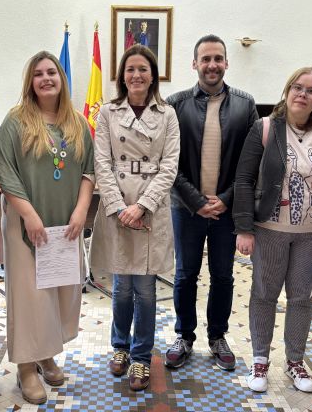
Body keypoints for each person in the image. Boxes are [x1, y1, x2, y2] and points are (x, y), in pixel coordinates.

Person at [234, 67, 312, 393]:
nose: (302, 94)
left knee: (302, 297)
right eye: (298, 87)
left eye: (311, 90)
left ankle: (295, 361)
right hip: (269, 228)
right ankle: (260, 359)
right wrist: (244, 229)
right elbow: (244, 179)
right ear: (288, 90)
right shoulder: (264, 128)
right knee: (264, 294)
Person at [0, 51, 94, 405]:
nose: (46, 78)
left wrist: (81, 211)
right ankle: (25, 366)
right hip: (26, 226)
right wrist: (28, 215)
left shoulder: (77, 122)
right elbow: (5, 171)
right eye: (38, 74)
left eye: (52, 72)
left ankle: (46, 354)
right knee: (29, 297)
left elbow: (88, 171)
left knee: (57, 293)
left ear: (61, 79)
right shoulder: (16, 121)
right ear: (30, 82)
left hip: (65, 226)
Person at [165, 34, 258, 371]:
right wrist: (196, 201)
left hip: (226, 211)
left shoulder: (246, 105)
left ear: (226, 63)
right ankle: (184, 336)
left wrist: (225, 200)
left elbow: (251, 163)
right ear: (195, 64)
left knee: (223, 276)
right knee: (184, 274)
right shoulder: (175, 104)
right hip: (186, 209)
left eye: (218, 58)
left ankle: (218, 336)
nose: (212, 65)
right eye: (205, 59)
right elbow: (168, 162)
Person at [90, 44, 180, 391]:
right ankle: (120, 347)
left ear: (153, 75)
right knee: (121, 287)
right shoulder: (108, 112)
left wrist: (142, 205)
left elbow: (170, 165)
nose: (137, 75)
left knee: (145, 289)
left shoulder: (167, 114)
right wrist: (118, 207)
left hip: (150, 210)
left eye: (143, 69)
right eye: (130, 69)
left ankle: (141, 356)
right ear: (122, 75)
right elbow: (101, 162)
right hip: (117, 207)